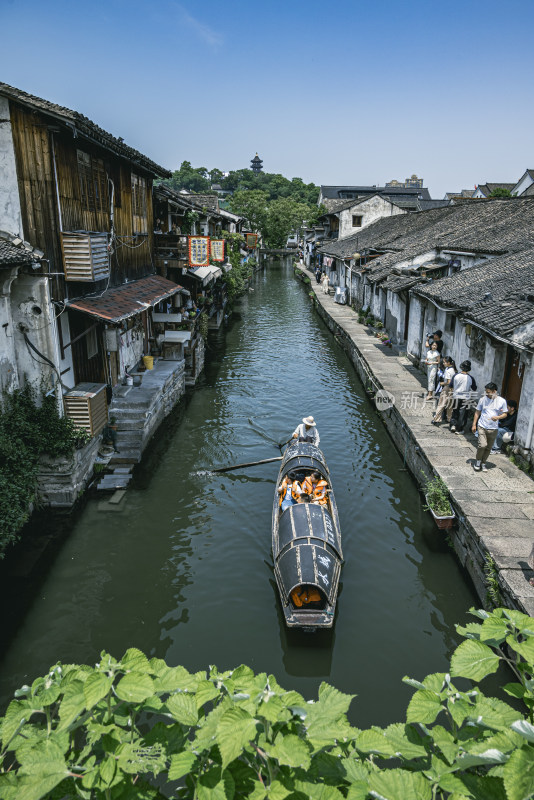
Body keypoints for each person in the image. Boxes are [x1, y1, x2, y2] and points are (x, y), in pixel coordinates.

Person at [472, 383, 508, 471]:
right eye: (486, 392)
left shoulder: (502, 401)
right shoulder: (482, 400)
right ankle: (478, 461)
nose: (487, 394)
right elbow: (477, 412)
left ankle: (483, 463)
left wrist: (498, 417)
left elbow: (505, 414)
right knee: (482, 445)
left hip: (493, 428)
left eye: (488, 392)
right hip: (482, 426)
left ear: (494, 391)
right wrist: (474, 424)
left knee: (488, 447)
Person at [449, 361, 477, 434]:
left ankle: (453, 425)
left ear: (461, 367)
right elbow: (474, 388)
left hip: (456, 396)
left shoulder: (455, 375)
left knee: (455, 411)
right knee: (463, 414)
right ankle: (460, 429)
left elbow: (450, 386)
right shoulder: (470, 378)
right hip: (466, 397)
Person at [432, 357, 457, 424]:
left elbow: (448, 382)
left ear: (448, 363)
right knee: (449, 405)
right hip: (452, 389)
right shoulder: (453, 369)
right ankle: (449, 418)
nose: (443, 363)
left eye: (444, 362)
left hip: (447, 388)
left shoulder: (449, 371)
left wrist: (442, 383)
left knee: (441, 404)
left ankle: (437, 419)